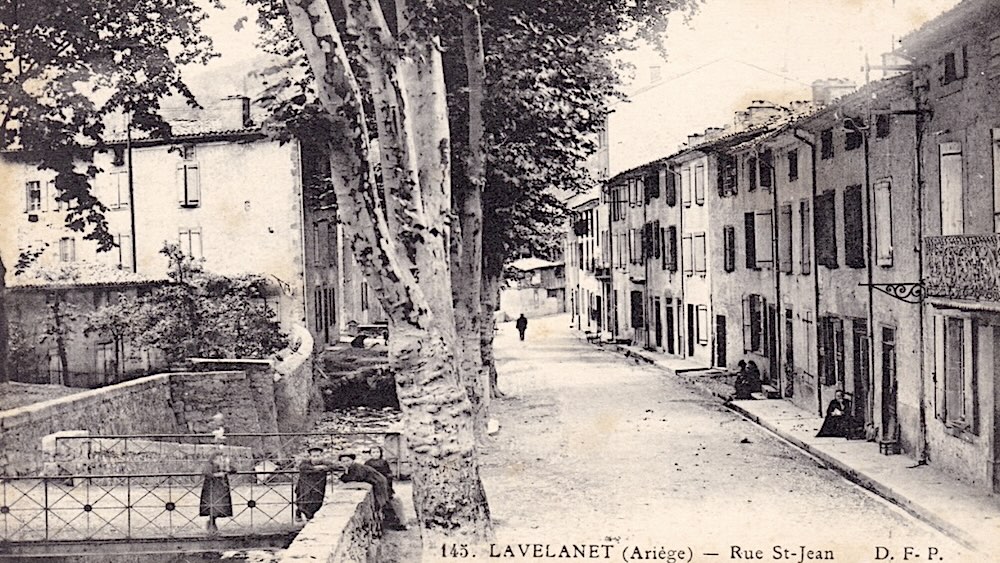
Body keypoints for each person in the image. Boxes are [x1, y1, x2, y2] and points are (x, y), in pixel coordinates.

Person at [339, 452, 404, 530]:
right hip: (376, 482)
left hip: (379, 482)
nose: (345, 463)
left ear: (352, 460)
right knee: (380, 503)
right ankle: (388, 523)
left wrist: (344, 477)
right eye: (343, 461)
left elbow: (358, 478)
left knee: (382, 502)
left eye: (347, 461)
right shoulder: (351, 468)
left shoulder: (357, 467)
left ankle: (396, 523)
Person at [200, 452, 236, 535]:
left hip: (221, 488)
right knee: (213, 505)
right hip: (212, 488)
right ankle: (211, 523)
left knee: (220, 506)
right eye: (218, 459)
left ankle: (212, 522)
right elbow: (206, 472)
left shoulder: (223, 465)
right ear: (213, 459)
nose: (220, 460)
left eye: (221, 458)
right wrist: (217, 475)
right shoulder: (209, 465)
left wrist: (227, 467)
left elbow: (234, 470)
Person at [295, 446, 334, 521]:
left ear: (321, 456)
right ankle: (301, 514)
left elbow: (334, 466)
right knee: (304, 500)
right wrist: (317, 468)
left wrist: (327, 467)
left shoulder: (324, 462)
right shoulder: (305, 462)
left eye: (318, 456)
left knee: (317, 501)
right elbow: (303, 467)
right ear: (310, 457)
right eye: (314, 456)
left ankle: (310, 516)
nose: (316, 458)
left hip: (318, 486)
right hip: (305, 485)